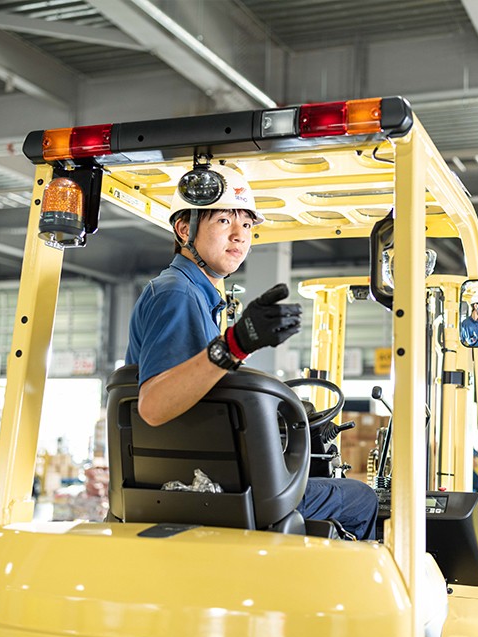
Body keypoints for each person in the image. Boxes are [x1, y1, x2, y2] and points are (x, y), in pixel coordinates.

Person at [124, 162, 378, 540]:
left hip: (200, 479)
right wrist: (235, 345)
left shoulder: (196, 295)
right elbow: (154, 406)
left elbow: (203, 397)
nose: (239, 235)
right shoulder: (178, 292)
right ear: (184, 229)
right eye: (224, 220)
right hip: (209, 487)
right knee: (360, 498)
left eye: (247, 224)